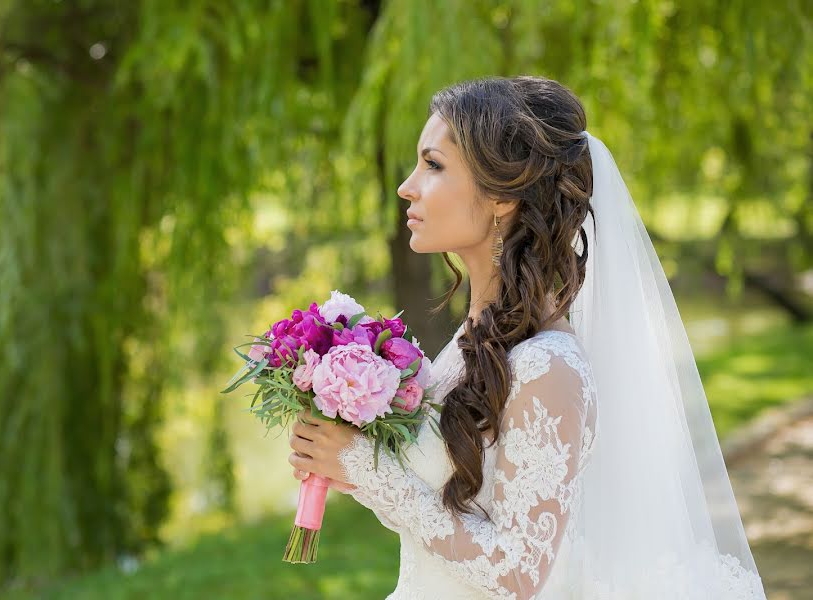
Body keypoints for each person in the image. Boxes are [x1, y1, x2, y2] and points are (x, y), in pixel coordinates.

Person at [287, 76, 766, 599]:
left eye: (434, 165)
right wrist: (346, 462)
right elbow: (444, 511)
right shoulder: (474, 341)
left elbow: (517, 573)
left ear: (500, 198)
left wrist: (373, 470)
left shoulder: (548, 367)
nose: (407, 186)